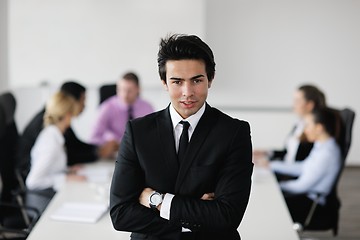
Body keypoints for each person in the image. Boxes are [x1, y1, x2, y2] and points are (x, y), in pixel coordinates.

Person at [110, 34, 253, 240]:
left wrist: (156, 200)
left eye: (196, 80)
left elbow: (227, 215)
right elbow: (121, 214)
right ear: (164, 82)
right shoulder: (138, 131)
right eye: (177, 81)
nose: (187, 92)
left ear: (210, 79)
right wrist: (197, 218)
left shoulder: (233, 132)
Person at [17, 81, 117, 179]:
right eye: (83, 100)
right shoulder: (49, 128)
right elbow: (69, 154)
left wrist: (98, 149)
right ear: (71, 102)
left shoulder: (57, 121)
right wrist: (98, 153)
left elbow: (75, 144)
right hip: (32, 178)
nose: (84, 106)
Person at [270, 107, 342, 224]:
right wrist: (271, 165)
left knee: (271, 203)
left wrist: (276, 186)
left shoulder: (327, 153)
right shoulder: (321, 146)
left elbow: (302, 186)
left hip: (311, 205)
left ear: (319, 128)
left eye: (307, 125)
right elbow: (302, 167)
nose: (305, 130)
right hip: (305, 196)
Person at [26, 91, 86, 192]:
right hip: (44, 200)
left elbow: (50, 169)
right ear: (67, 115)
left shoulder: (53, 135)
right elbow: (32, 181)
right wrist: (65, 178)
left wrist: (68, 171)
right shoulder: (51, 143)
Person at [254, 84, 326, 164]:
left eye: (297, 101)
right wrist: (266, 152)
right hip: (285, 169)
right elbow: (288, 153)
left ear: (309, 105)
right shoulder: (299, 124)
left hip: (292, 173)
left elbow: (304, 164)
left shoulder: (316, 130)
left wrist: (272, 165)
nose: (293, 105)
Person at [89, 72, 154, 148]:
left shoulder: (147, 108)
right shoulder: (107, 107)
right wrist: (107, 144)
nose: (124, 95)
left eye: (129, 91)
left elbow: (153, 135)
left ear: (138, 89)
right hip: (114, 153)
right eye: (121, 90)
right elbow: (93, 138)